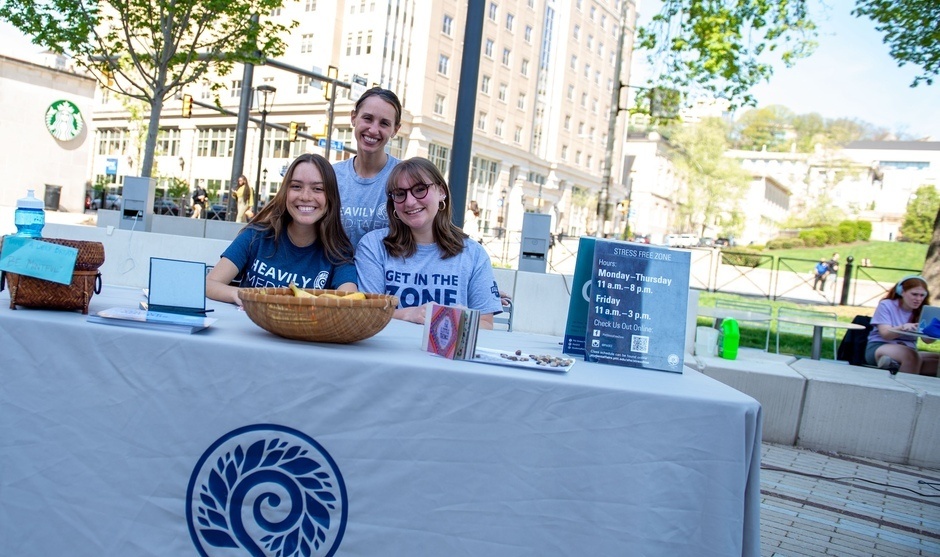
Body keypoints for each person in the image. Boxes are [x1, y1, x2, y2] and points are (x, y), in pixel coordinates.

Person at [355, 157, 503, 329]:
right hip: (385, 352)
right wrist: (408, 314)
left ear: (441, 192)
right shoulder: (373, 247)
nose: (410, 202)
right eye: (400, 194)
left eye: (420, 190)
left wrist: (453, 319)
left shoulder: (473, 254)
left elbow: (486, 323)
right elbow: (366, 313)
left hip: (445, 355)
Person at [206, 154, 357, 307]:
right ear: (285, 192)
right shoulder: (256, 235)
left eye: (318, 189)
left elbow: (351, 302)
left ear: (331, 197)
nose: (305, 196)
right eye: (296, 186)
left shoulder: (339, 253)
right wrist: (238, 294)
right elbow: (210, 284)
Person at [334, 87, 402, 247]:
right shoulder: (331, 175)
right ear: (353, 118)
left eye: (384, 123)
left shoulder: (405, 177)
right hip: (334, 270)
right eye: (367, 118)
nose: (373, 130)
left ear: (395, 130)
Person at [865, 275, 939, 376]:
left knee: (936, 362)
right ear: (902, 292)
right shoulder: (887, 305)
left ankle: (894, 365)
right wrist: (903, 327)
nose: (918, 299)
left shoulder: (923, 310)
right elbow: (885, 334)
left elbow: (926, 340)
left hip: (909, 349)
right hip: (880, 345)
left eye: (922, 295)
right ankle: (904, 388)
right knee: (911, 356)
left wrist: (933, 332)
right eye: (914, 294)